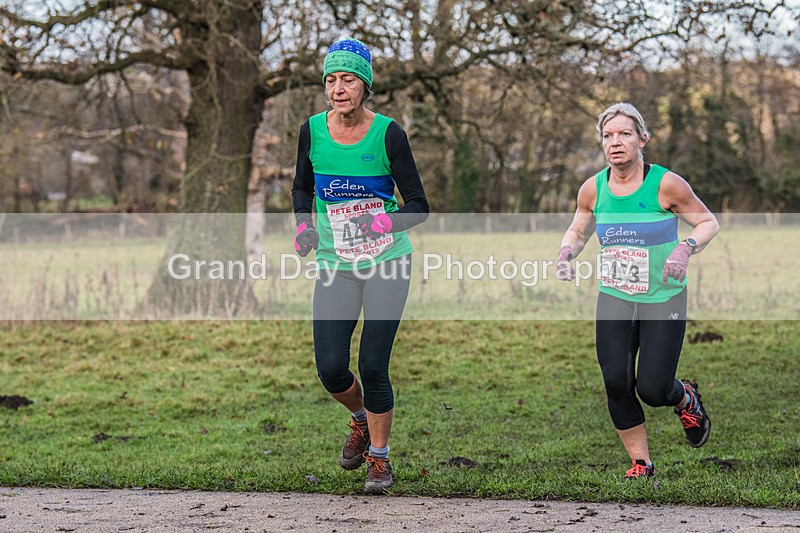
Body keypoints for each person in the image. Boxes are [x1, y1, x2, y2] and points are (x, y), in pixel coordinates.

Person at [291, 37, 429, 494]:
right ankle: (360, 421)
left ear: (365, 85)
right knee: (330, 367)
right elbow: (301, 189)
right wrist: (302, 227)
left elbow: (419, 206)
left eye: (347, 78)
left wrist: (381, 220)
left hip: (387, 262)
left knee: (373, 364)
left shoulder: (388, 134)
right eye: (330, 80)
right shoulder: (311, 131)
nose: (337, 88)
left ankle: (380, 459)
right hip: (335, 263)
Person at [556, 102, 719, 479]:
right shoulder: (592, 189)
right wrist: (566, 252)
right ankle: (641, 464)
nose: (615, 142)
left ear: (642, 139)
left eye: (625, 134)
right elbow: (578, 230)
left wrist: (685, 247)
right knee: (615, 379)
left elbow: (707, 223)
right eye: (608, 136)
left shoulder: (666, 184)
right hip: (615, 294)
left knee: (651, 387)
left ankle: (685, 397)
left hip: (663, 296)